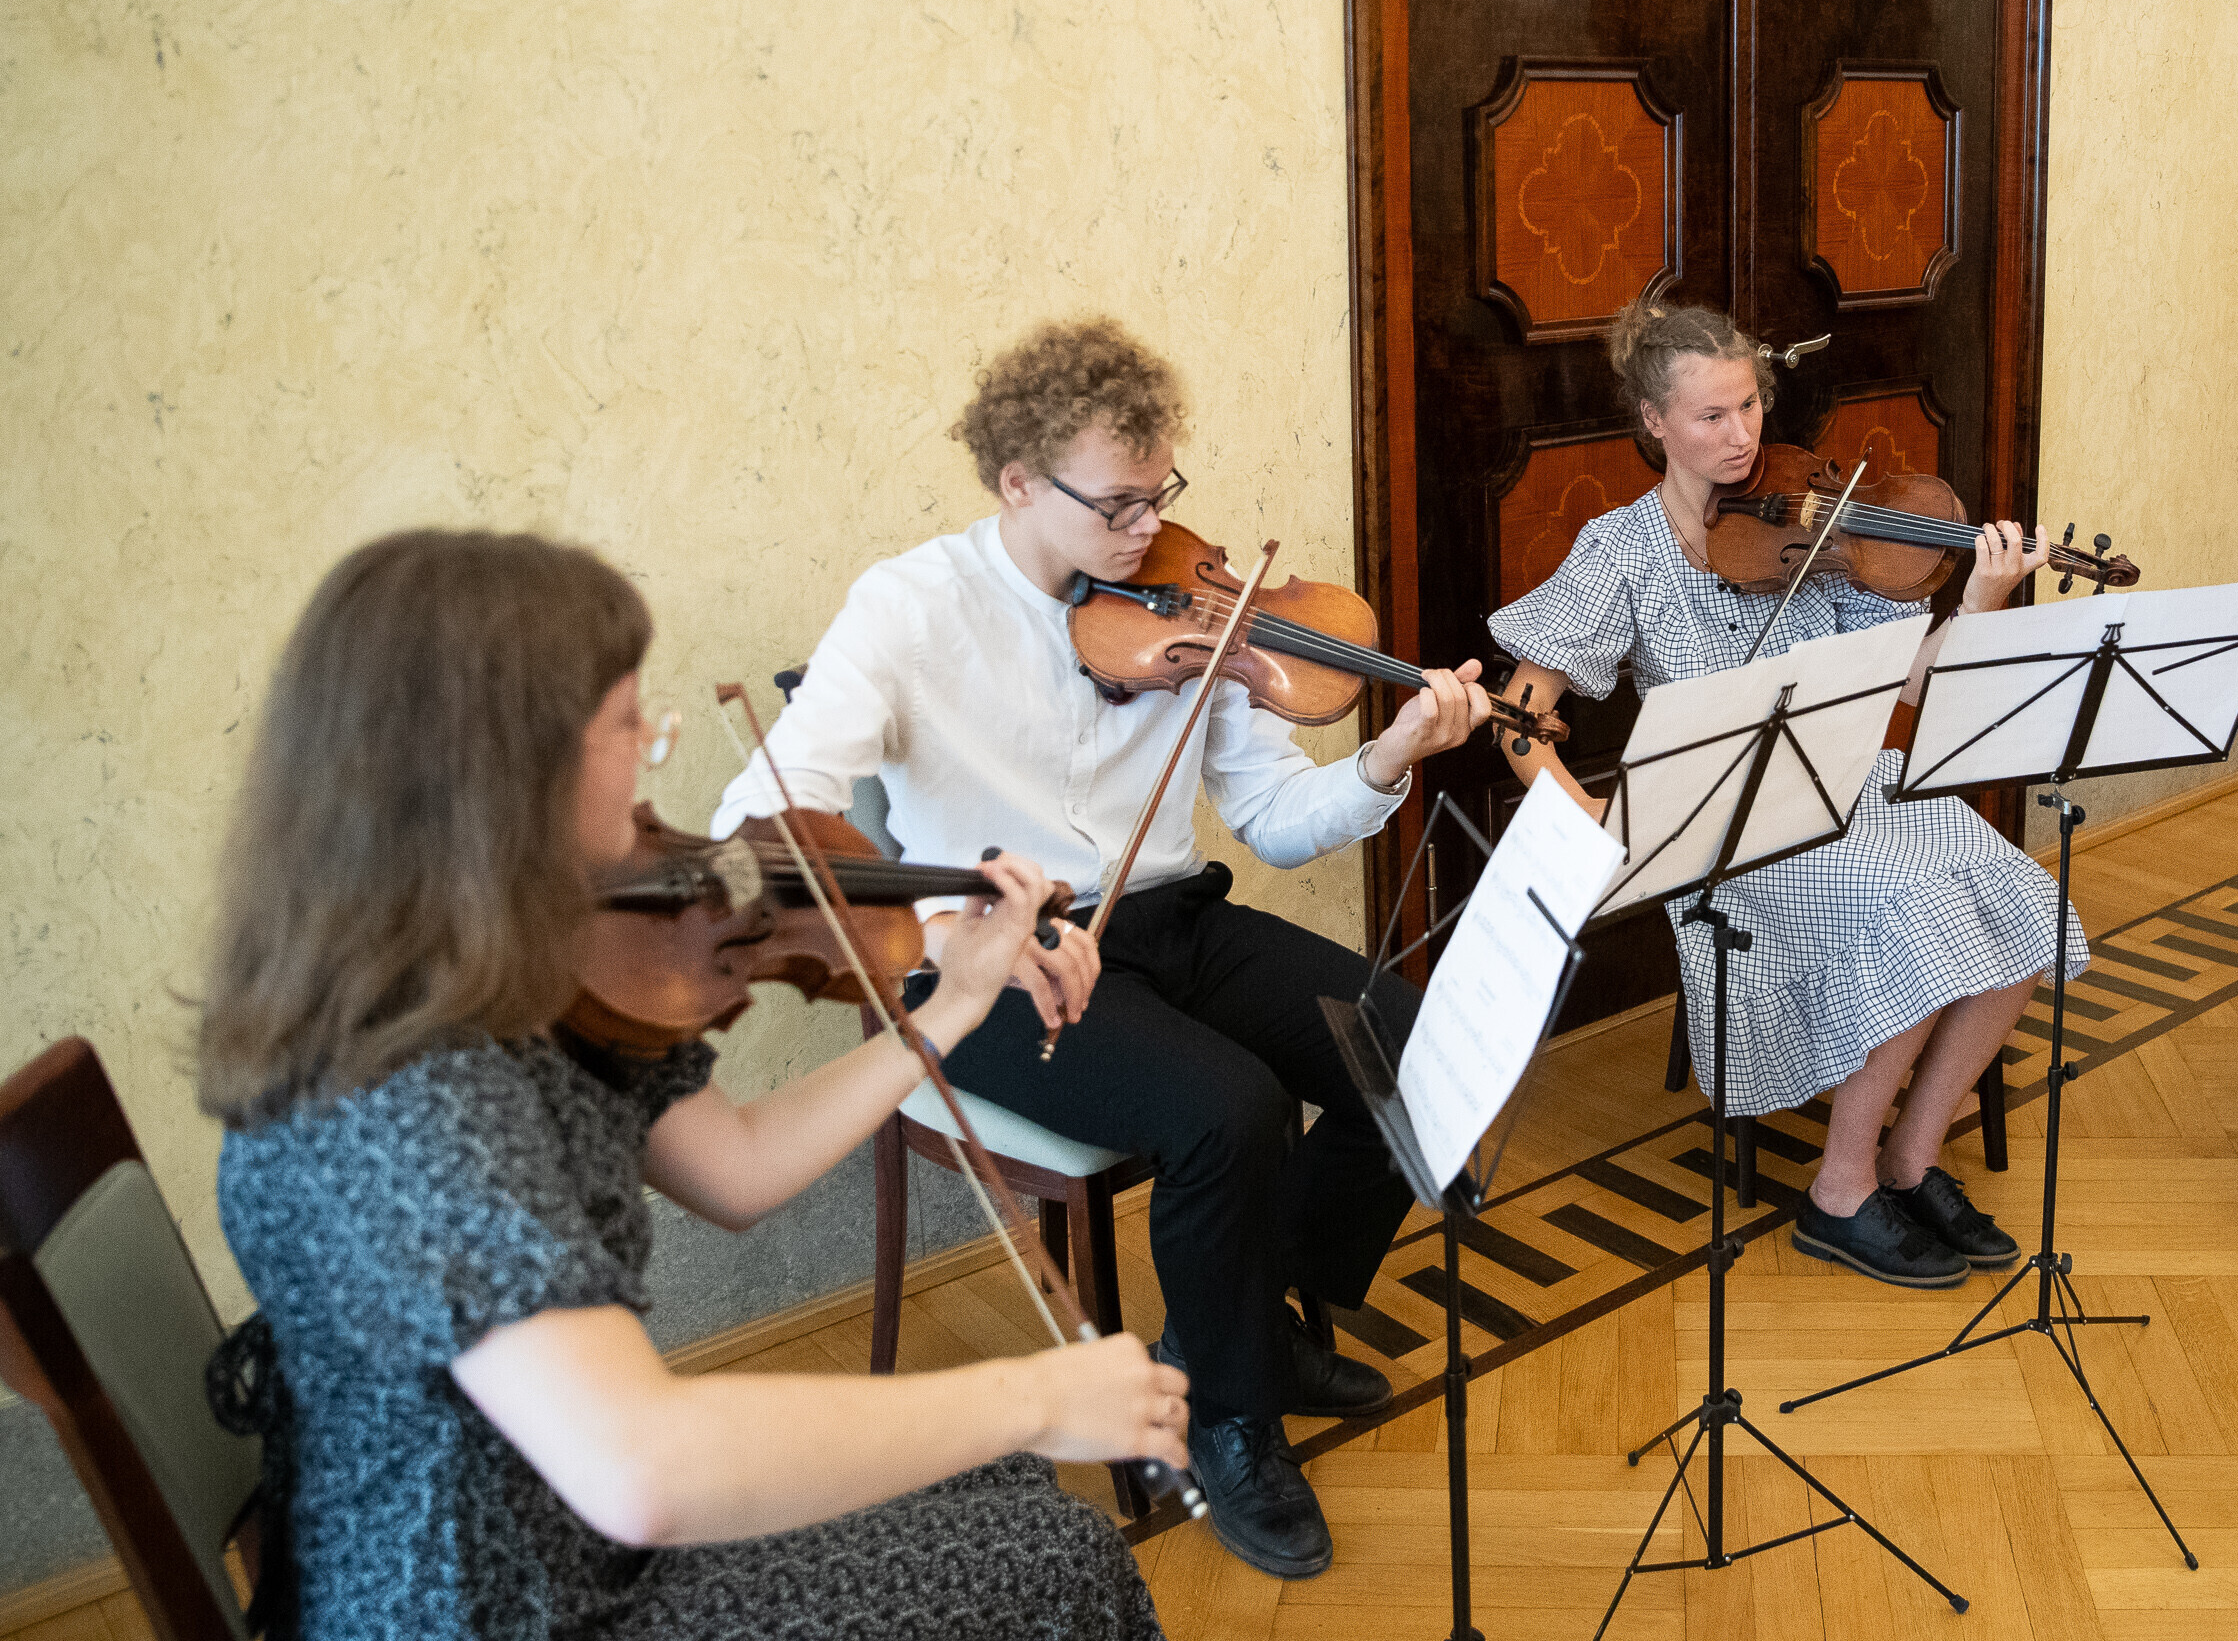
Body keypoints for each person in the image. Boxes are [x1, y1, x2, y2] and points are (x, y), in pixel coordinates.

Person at [196, 529, 1180, 1641]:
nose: (651, 756)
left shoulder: (522, 973)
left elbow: (737, 1164)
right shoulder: (408, 1093)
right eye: (628, 724)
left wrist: (951, 1004)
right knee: (1055, 1556)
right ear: (507, 773)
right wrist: (1034, 1395)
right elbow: (642, 1470)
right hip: (499, 1598)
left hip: (558, 1516)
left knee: (998, 1490)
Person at [712, 318, 1489, 1580]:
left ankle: (1242, 1328)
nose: (1150, 529)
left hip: (1171, 917)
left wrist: (1389, 754)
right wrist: (929, 921)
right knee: (1229, 1109)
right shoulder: (911, 608)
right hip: (999, 958)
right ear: (1017, 482)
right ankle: (1227, 1419)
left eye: (1159, 491)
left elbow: (1276, 818)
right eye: (1117, 504)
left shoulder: (1193, 607)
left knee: (1406, 1042)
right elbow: (767, 803)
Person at [1485, 300, 2085, 1291]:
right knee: (1914, 909)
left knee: (2018, 894)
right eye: (1711, 415)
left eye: (1751, 406)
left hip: (1848, 784)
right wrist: (1584, 816)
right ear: (1655, 423)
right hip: (1729, 825)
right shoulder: (1621, 548)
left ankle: (1910, 1158)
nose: (1743, 435)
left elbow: (1910, 678)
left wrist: (1980, 593)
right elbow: (1520, 711)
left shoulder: (1813, 518)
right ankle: (1839, 1192)